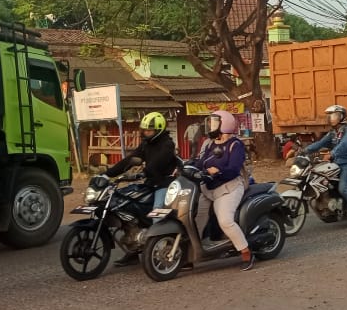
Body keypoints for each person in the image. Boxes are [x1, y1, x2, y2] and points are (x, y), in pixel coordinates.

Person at [179, 109, 255, 270]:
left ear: (224, 125)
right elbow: (201, 163)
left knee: (225, 221)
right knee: (196, 221)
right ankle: (191, 256)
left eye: (214, 123)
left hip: (229, 187)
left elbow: (233, 169)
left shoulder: (236, 145)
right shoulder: (211, 144)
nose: (210, 126)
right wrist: (184, 167)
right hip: (209, 187)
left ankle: (246, 252)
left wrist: (218, 171)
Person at [106, 111, 180, 265]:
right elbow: (130, 159)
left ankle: (161, 253)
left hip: (165, 184)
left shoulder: (167, 144)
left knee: (157, 215)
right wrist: (108, 174)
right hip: (149, 184)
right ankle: (133, 250)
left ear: (158, 130)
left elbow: (157, 163)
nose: (145, 133)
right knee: (126, 209)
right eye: (144, 130)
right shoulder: (146, 144)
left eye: (149, 130)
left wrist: (144, 172)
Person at [304, 104, 347, 225]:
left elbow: (344, 145)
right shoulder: (333, 133)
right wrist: (304, 151)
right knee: (320, 179)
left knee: (343, 188)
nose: (331, 119)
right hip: (336, 164)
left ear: (342, 117)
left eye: (334, 116)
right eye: (330, 116)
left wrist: (332, 154)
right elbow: (319, 144)